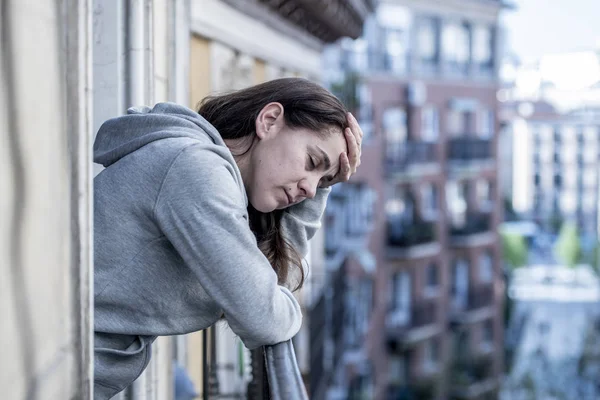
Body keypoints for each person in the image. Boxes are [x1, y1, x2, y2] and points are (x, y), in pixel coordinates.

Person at [92, 78, 363, 399]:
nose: (308, 187)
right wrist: (291, 312)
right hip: (45, 355)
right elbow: (263, 316)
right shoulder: (195, 169)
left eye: (320, 181)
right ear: (270, 120)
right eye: (312, 162)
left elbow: (277, 281)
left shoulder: (213, 176)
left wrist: (323, 189)